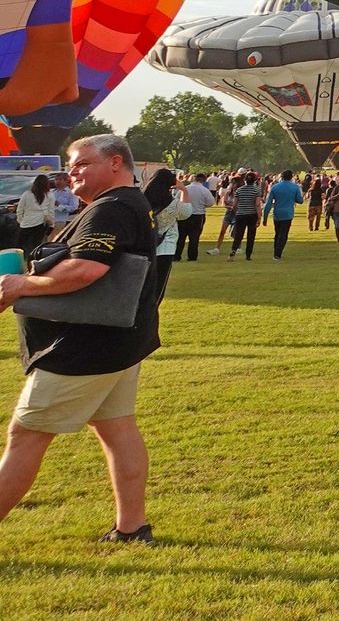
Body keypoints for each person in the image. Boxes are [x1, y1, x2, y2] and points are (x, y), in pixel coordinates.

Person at [0, 135, 161, 541]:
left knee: (26, 435)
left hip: (82, 349)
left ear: (115, 163)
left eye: (83, 163)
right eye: (71, 165)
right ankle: (132, 526)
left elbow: (87, 269)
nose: (72, 171)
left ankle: (133, 526)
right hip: (117, 341)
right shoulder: (127, 204)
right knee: (117, 428)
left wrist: (22, 283)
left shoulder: (111, 209)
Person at [145, 171, 191, 306]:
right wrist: (183, 190)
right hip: (165, 246)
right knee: (158, 287)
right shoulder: (171, 203)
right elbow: (186, 213)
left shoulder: (143, 199)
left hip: (146, 245)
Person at [262, 170, 305, 260]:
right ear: (291, 177)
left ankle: (276, 252)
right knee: (284, 234)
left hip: (277, 213)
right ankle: (278, 253)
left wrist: (265, 218)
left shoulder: (275, 187)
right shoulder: (295, 187)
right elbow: (300, 201)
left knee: (277, 233)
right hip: (288, 213)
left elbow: (268, 204)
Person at [224, 171, 263, 260]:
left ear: (245, 180)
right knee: (251, 235)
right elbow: (257, 204)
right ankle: (248, 255)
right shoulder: (257, 190)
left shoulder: (239, 190)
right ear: (255, 180)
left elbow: (235, 204)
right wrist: (259, 217)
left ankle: (233, 252)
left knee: (238, 234)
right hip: (252, 214)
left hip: (240, 214)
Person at [13, 176, 53, 258]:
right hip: (41, 222)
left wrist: (20, 221)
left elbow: (20, 209)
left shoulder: (27, 194)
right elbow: (51, 211)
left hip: (26, 222)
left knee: (20, 244)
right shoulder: (50, 195)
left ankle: (17, 260)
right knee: (36, 244)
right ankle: (32, 260)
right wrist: (52, 224)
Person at [178, 173, 214, 262]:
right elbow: (210, 202)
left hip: (184, 214)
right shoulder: (204, 190)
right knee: (194, 237)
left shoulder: (186, 188)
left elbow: (177, 199)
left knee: (181, 237)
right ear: (204, 180)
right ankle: (192, 256)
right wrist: (203, 205)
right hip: (197, 215)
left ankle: (176, 255)